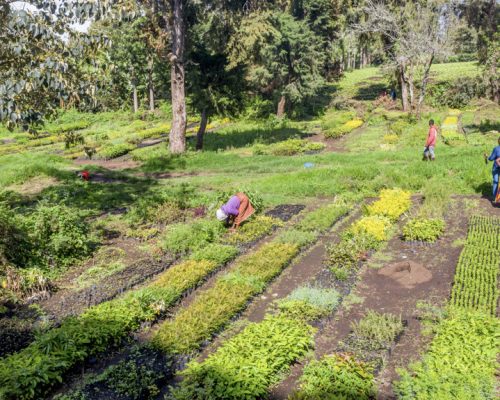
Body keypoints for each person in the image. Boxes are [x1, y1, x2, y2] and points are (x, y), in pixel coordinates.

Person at [483, 136, 500, 202]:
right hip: (496, 168)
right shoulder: (496, 149)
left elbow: (491, 158)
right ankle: (496, 197)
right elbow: (491, 159)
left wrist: (487, 156)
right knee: (496, 182)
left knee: (495, 181)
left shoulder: (496, 149)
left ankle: (495, 197)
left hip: (496, 168)